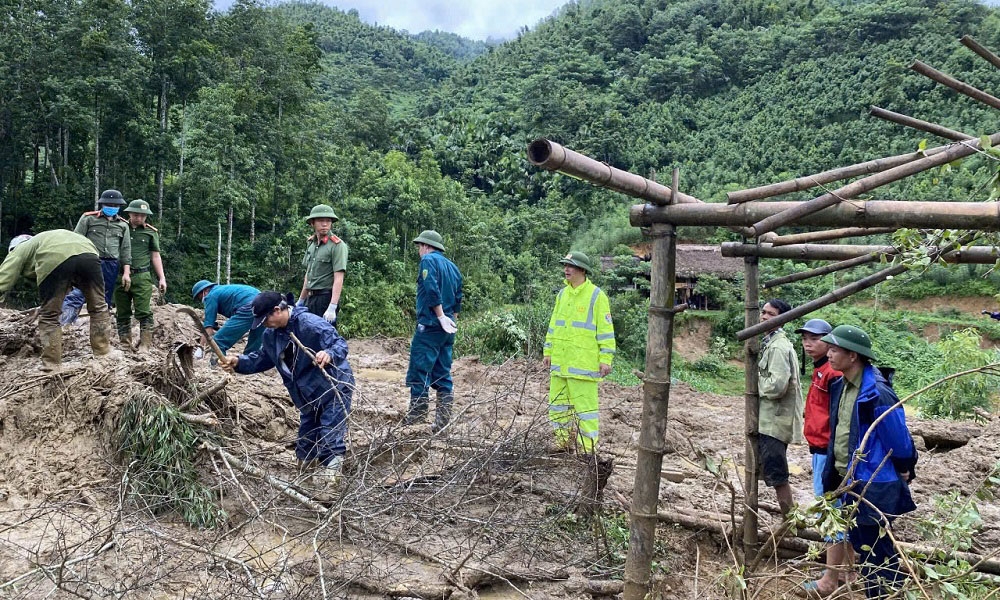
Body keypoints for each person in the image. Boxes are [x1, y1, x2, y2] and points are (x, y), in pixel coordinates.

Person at [219, 291, 354, 495]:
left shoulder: (310, 324)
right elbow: (263, 358)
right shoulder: (271, 334)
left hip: (333, 388)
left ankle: (331, 488)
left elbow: (339, 344)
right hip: (306, 395)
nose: (264, 324)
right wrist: (239, 362)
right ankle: (305, 482)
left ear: (277, 310)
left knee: (330, 437)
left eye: (265, 319)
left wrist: (329, 353)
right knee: (306, 438)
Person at [821, 325, 917, 599]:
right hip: (846, 480)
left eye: (835, 349)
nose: (829, 354)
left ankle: (885, 594)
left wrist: (904, 467)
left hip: (873, 483)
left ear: (853, 356)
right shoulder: (840, 386)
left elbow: (898, 441)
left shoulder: (877, 393)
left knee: (878, 552)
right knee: (863, 546)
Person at [795, 318, 854, 596]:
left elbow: (841, 418)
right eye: (805, 337)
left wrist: (833, 454)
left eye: (815, 338)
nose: (808, 343)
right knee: (841, 510)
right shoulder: (821, 370)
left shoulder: (833, 373)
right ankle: (849, 571)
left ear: (831, 342)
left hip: (828, 452)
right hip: (821, 449)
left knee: (831, 513)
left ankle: (831, 578)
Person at [0, 231, 113, 370]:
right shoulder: (46, 239)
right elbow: (68, 282)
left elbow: (3, 278)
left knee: (49, 316)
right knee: (99, 307)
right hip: (89, 253)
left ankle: (52, 365)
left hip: (55, 258)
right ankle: (104, 354)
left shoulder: (20, 249)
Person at [542, 251, 615, 453]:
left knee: (586, 411)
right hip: (560, 364)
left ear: (582, 270)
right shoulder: (562, 295)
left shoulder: (596, 296)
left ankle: (586, 449)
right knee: (558, 407)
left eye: (571, 266)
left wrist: (606, 358)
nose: (566, 269)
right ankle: (562, 442)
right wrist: (548, 351)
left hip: (583, 365)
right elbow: (553, 326)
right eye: (565, 265)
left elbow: (606, 331)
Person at [403, 230, 463, 432]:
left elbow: (431, 288)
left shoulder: (428, 261)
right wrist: (451, 321)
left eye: (420, 246)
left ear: (426, 246)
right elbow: (458, 298)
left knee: (420, 369)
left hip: (430, 324)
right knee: (442, 372)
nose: (419, 251)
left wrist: (439, 316)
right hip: (447, 329)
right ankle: (442, 422)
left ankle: (417, 419)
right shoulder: (453, 268)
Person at [757, 299, 803, 515]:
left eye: (771, 314)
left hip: (774, 422)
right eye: (763, 312)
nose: (764, 317)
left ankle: (789, 518)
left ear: (782, 319)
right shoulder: (772, 343)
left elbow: (776, 386)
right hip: (771, 421)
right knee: (771, 470)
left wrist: (756, 384)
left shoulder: (777, 347)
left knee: (777, 474)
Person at [60, 189, 131, 325]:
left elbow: (126, 250)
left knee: (103, 299)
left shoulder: (123, 225)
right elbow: (75, 240)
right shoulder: (89, 218)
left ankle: (99, 331)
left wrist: (126, 272)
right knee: (78, 294)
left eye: (115, 205)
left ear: (119, 207)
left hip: (111, 265)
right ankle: (63, 324)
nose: (112, 207)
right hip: (90, 261)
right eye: (109, 204)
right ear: (102, 204)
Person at [114, 200, 166, 351]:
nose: (139, 218)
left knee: (144, 312)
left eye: (143, 216)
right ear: (129, 213)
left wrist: (161, 277)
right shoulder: (120, 227)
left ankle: (145, 344)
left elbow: (155, 256)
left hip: (141, 276)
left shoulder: (151, 232)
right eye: (136, 215)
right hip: (120, 276)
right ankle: (125, 344)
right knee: (122, 312)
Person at [297, 204, 348, 324]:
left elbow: (339, 277)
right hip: (310, 298)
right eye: (320, 221)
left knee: (325, 338)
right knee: (308, 337)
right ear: (312, 223)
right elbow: (308, 275)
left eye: (328, 221)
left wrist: (332, 306)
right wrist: (301, 300)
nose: (325, 224)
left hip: (325, 298)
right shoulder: (311, 244)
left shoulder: (337, 246)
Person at [191, 280, 263, 355]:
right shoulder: (223, 290)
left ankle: (216, 365)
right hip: (264, 305)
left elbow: (208, 328)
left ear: (205, 290)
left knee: (218, 343)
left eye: (199, 298)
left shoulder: (210, 295)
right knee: (255, 344)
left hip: (248, 308)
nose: (202, 301)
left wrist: (201, 348)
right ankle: (249, 365)